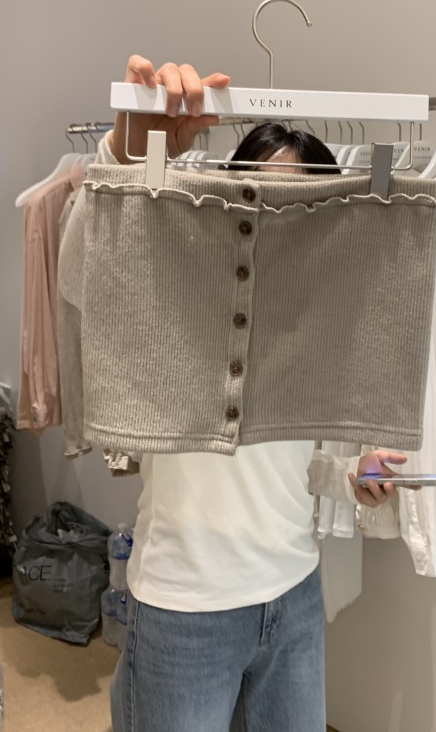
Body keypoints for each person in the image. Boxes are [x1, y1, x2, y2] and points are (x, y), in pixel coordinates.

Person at [105, 56, 411, 732]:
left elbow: (283, 464)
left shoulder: (313, 319)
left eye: (299, 206)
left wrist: (349, 476)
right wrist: (128, 150)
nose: (277, 217)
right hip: (187, 605)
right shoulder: (180, 293)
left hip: (292, 594)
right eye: (262, 195)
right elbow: (101, 260)